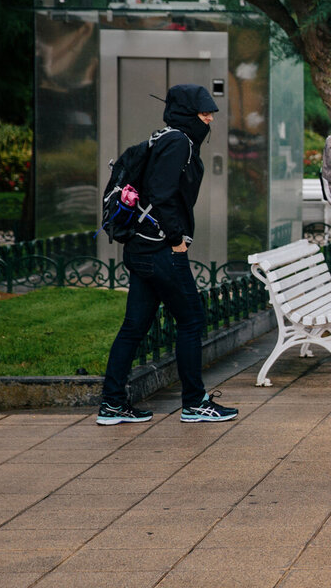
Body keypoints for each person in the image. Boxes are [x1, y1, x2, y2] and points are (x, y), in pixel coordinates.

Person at [97, 84, 238, 425]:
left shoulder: (165, 137)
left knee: (134, 326)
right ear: (189, 114)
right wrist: (176, 239)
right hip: (159, 249)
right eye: (205, 115)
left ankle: (112, 405)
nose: (209, 122)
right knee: (191, 320)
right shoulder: (178, 142)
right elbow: (162, 194)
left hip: (142, 249)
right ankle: (194, 402)